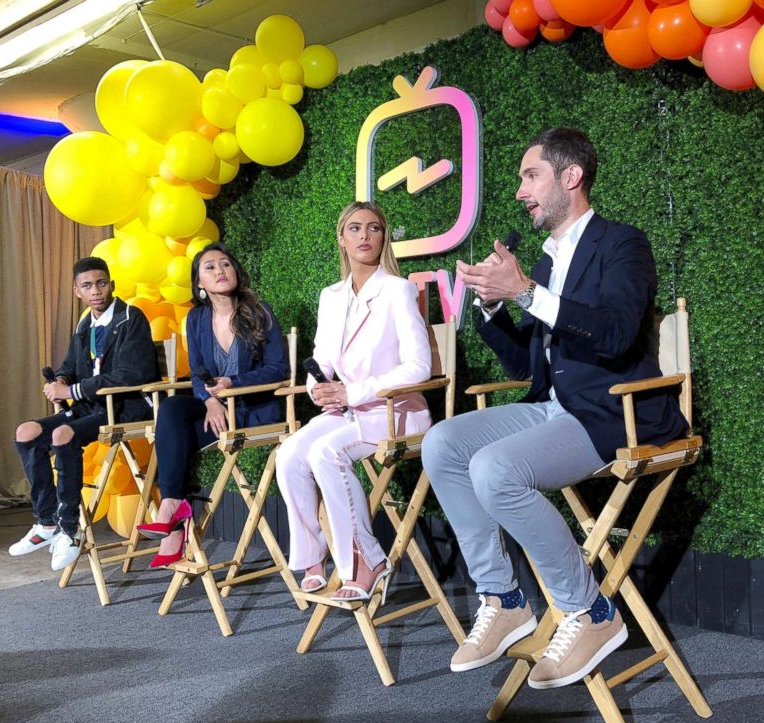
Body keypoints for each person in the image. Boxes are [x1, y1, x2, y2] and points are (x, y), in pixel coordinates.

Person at [422, 128, 688, 689]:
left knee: (495, 469)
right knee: (442, 443)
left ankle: (591, 613)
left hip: (613, 413)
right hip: (551, 408)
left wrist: (524, 293)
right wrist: (492, 309)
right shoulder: (544, 263)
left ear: (571, 177)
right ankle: (505, 597)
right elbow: (528, 365)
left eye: (530, 175)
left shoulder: (622, 244)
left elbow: (615, 335)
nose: (520, 190)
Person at [275, 201, 432, 602]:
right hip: (349, 412)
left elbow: (419, 367)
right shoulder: (331, 296)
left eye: (374, 228)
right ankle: (313, 557)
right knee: (290, 452)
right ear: (341, 240)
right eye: (355, 229)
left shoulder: (398, 290)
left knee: (326, 452)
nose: (365, 236)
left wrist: (352, 392)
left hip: (397, 413)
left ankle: (367, 560)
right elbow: (322, 360)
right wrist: (318, 389)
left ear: (383, 237)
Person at [137, 242, 289, 568]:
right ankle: (174, 506)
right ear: (200, 284)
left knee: (174, 436)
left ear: (235, 272)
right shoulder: (196, 319)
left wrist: (232, 385)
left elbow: (279, 369)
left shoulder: (259, 311)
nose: (220, 270)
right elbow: (198, 373)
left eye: (225, 264)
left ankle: (175, 519)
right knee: (173, 410)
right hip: (220, 413)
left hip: (253, 412)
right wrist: (209, 401)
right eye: (210, 267)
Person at [10, 257, 157, 571]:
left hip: (125, 407)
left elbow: (133, 375)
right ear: (77, 291)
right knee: (26, 432)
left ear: (111, 284)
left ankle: (69, 528)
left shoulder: (131, 317)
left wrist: (73, 391)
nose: (96, 291)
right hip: (91, 407)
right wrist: (61, 380)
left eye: (101, 283)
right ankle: (47, 522)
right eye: (87, 286)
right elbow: (71, 367)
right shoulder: (85, 324)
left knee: (63, 435)